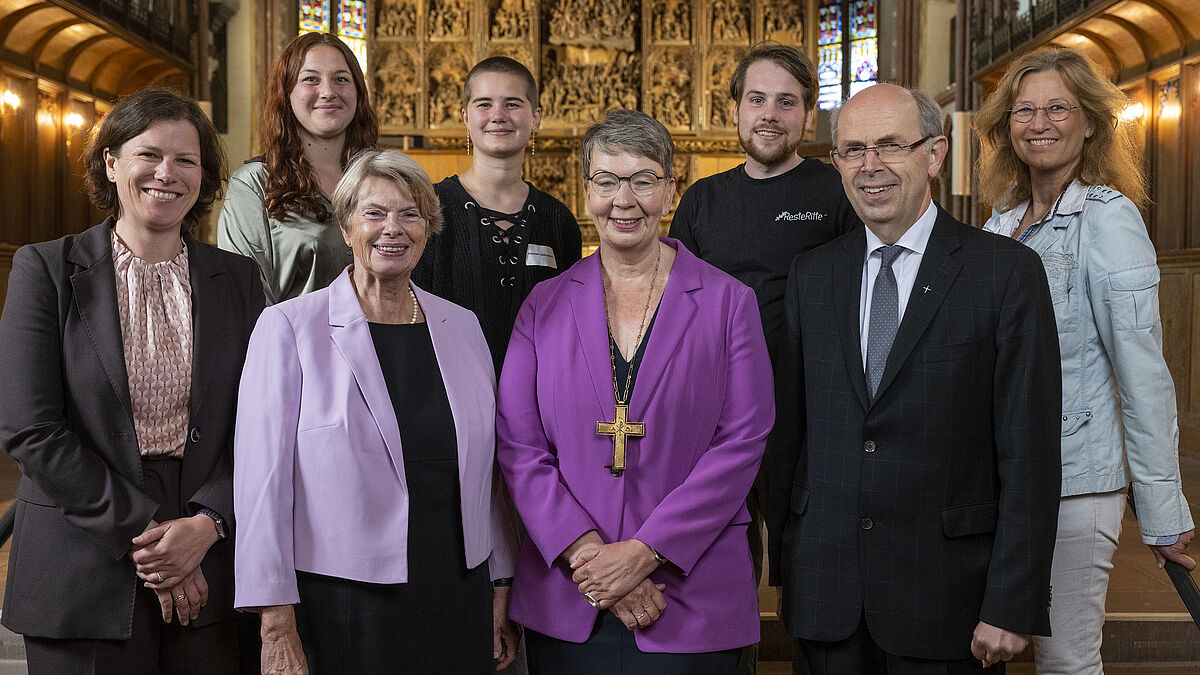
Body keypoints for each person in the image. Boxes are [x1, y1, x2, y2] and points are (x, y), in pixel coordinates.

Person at [768, 84, 1062, 672]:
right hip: (828, 596)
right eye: (852, 150)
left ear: (934, 154)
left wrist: (1011, 601)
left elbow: (1029, 452)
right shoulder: (812, 275)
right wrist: (789, 567)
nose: (869, 166)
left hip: (950, 597)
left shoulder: (1004, 273)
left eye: (889, 146)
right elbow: (789, 437)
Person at [497, 109, 774, 674]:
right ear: (586, 191)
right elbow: (518, 446)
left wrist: (644, 555)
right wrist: (592, 558)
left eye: (644, 179)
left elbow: (743, 441)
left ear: (670, 190)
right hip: (572, 591)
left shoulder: (728, 303)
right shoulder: (542, 306)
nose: (625, 199)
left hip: (689, 591)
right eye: (607, 181)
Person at [0, 89, 263, 673]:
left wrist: (208, 523)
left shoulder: (240, 280)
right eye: (148, 154)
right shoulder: (46, 270)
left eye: (186, 161)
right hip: (81, 553)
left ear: (204, 177)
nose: (166, 173)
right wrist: (147, 534)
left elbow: (261, 421)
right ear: (111, 163)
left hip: (210, 557)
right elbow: (29, 427)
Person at [233, 148, 519, 673]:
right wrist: (274, 619)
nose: (394, 228)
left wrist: (501, 581)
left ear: (429, 229)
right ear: (345, 226)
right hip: (343, 602)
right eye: (375, 213)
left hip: (455, 589)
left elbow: (491, 472)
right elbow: (261, 484)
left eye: (410, 214)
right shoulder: (290, 328)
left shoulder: (463, 327)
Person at [975, 47, 1195, 674]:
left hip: (1076, 481)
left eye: (1057, 108)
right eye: (1024, 110)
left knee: (1067, 661)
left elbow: (1144, 375)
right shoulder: (1002, 223)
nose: (1038, 122)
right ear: (1005, 125)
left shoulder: (1109, 220)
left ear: (1091, 122)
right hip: (1004, 478)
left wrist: (1162, 512)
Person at [668, 50, 857, 668]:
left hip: (812, 413)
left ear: (809, 114)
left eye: (786, 102)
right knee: (722, 557)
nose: (769, 115)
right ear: (735, 109)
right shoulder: (702, 200)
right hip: (718, 418)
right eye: (757, 100)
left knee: (810, 566)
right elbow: (677, 308)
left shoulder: (837, 190)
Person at [413, 56, 581, 375]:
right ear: (465, 116)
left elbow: (569, 330)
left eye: (513, 104)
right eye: (484, 104)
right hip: (447, 398)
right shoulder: (427, 207)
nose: (498, 116)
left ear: (537, 116)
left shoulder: (558, 219)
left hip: (537, 402)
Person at [218, 32, 379, 304]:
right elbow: (246, 298)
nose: (328, 92)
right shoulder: (255, 184)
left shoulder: (383, 180)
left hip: (381, 343)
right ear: (287, 92)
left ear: (358, 93)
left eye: (341, 79)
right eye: (311, 79)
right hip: (295, 344)